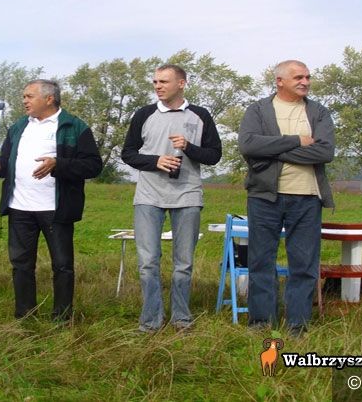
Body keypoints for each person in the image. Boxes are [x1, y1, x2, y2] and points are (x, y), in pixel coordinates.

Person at [0, 79, 102, 322]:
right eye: (24, 96)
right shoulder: (18, 126)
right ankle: (25, 316)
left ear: (49, 99)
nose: (24, 101)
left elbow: (93, 166)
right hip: (19, 207)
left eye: (29, 96)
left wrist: (58, 164)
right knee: (21, 265)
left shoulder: (74, 126)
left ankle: (62, 318)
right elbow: (8, 160)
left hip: (56, 209)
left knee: (62, 265)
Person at [122, 64, 222, 333]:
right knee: (148, 263)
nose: (158, 86)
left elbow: (214, 156)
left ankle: (181, 319)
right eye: (155, 82)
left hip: (187, 195)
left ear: (182, 83)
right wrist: (156, 161)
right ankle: (150, 321)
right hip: (148, 196)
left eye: (164, 81)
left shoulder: (200, 115)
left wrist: (188, 147)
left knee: (183, 264)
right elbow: (128, 154)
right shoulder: (144, 114)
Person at [238, 60, 335, 335]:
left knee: (303, 264)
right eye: (298, 77)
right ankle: (261, 322)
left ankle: (298, 325)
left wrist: (272, 149)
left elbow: (325, 152)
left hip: (307, 197)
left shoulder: (318, 112)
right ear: (279, 81)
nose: (305, 82)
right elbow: (248, 145)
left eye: (307, 77)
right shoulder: (258, 110)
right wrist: (296, 141)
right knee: (260, 261)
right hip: (264, 196)